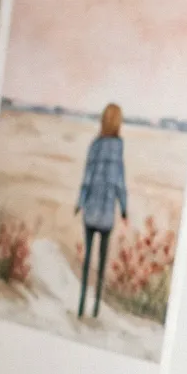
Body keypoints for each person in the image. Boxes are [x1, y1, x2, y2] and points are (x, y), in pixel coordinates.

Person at [75, 103, 128, 319]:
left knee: (87, 261)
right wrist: (124, 207)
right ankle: (96, 308)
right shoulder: (118, 147)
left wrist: (80, 202)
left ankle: (80, 306)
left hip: (90, 211)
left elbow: (87, 178)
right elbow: (119, 182)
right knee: (102, 262)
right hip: (106, 213)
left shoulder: (95, 145)